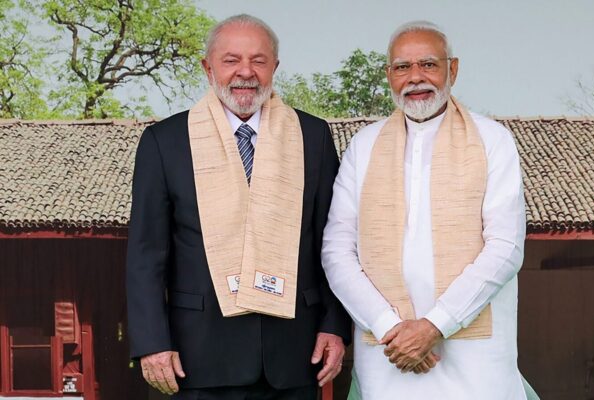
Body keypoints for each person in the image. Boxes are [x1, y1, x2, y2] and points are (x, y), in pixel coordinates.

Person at [126, 14, 351, 400]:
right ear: (207, 67)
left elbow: (328, 242)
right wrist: (151, 342)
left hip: (294, 353)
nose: (245, 72)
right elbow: (146, 254)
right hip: (197, 356)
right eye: (231, 60)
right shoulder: (165, 141)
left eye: (258, 61)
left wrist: (334, 325)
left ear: (275, 68)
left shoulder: (311, 136)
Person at [321, 21, 529, 399]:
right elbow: (337, 250)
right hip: (390, 353)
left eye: (428, 65)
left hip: (475, 359)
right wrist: (390, 327)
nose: (415, 78)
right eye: (402, 67)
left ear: (453, 69)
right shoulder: (363, 148)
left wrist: (434, 325)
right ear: (389, 76)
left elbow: (506, 247)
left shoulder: (493, 140)